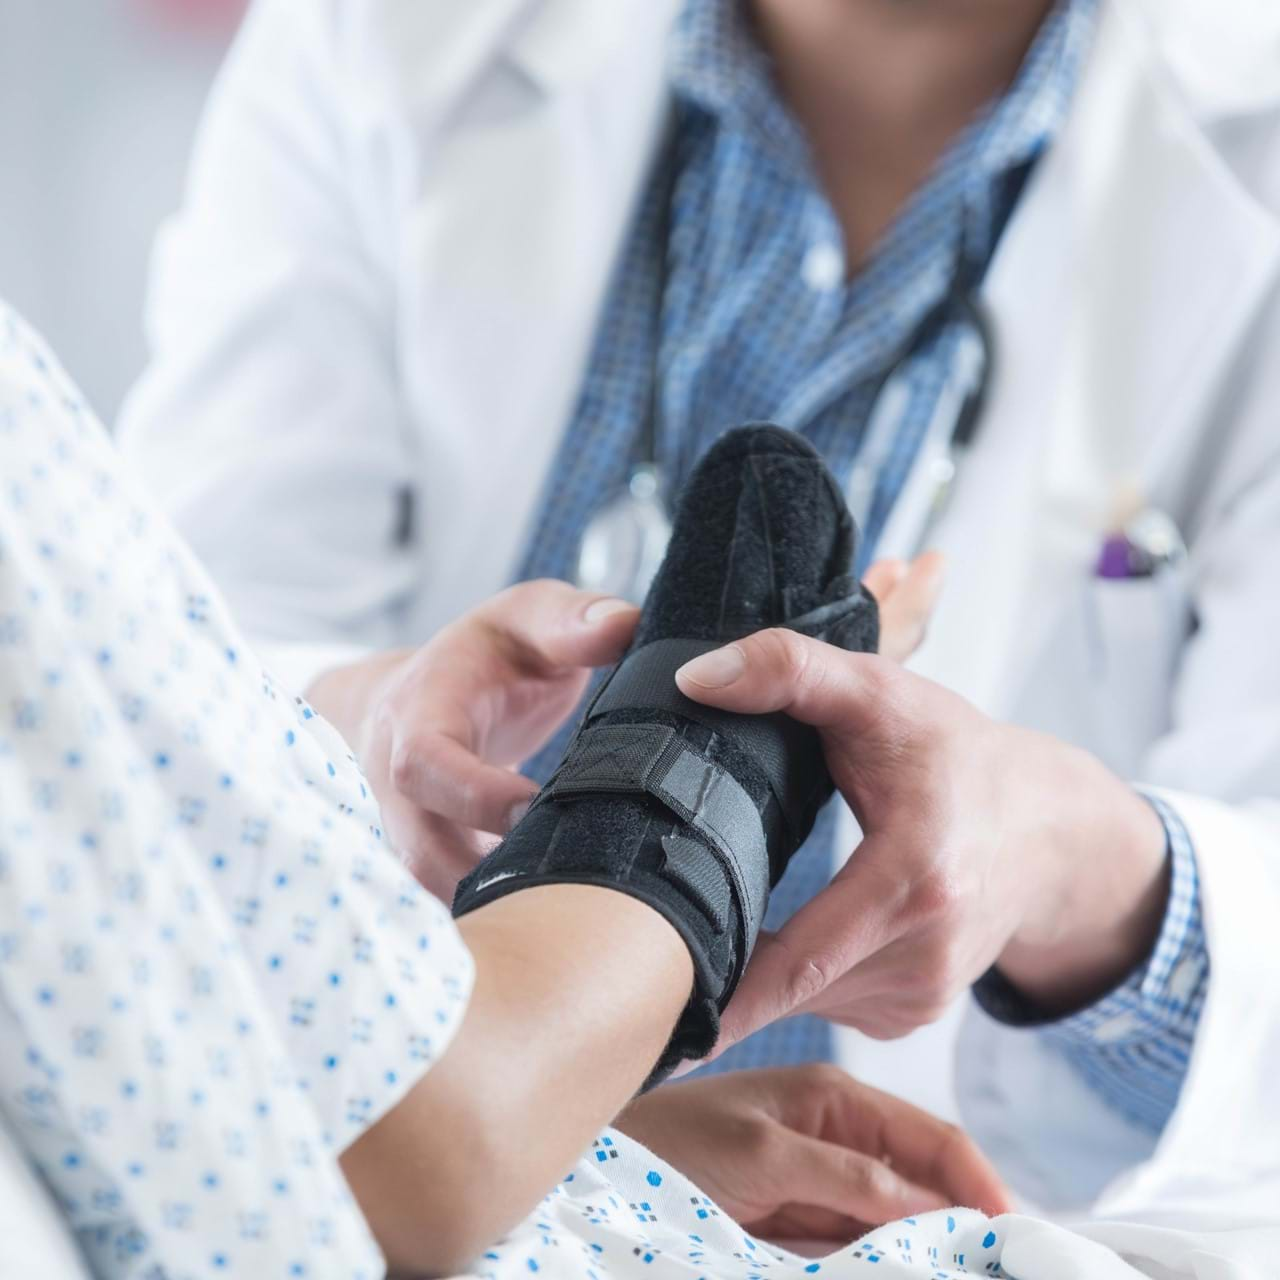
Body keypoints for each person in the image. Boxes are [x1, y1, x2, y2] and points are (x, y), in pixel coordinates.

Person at [118, 0, 1280, 1209]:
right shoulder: (384, 39)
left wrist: (1070, 860)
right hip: (410, 1156)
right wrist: (359, 715)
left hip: (926, 1209)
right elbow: (173, 667)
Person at [4, 299, 1279, 1280]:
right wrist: (683, 810)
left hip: (695, 1165)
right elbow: (408, 1136)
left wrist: (1071, 851)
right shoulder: (374, 47)